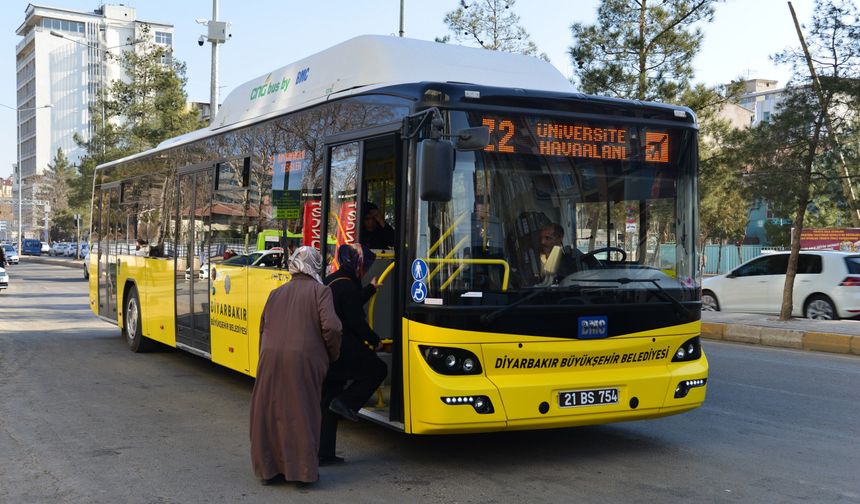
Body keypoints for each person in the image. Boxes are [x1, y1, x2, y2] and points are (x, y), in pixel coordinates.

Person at [249, 246, 342, 486]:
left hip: (270, 357)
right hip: (303, 359)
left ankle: (269, 470)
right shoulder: (321, 292)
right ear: (315, 265)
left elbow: (263, 327)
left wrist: (265, 354)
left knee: (270, 410)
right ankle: (301, 472)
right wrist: (331, 354)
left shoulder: (276, 292)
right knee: (302, 412)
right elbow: (332, 328)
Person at [319, 243, 388, 466]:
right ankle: (346, 402)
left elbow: (351, 302)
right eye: (365, 265)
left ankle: (324, 454)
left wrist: (370, 289)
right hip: (344, 349)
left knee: (328, 401)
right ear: (357, 263)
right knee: (378, 369)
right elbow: (356, 321)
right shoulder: (348, 286)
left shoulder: (333, 280)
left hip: (327, 350)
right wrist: (375, 341)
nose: (366, 269)